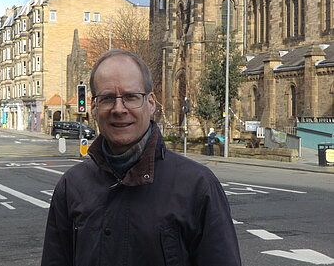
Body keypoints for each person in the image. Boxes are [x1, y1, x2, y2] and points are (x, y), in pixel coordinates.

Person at [41, 49, 241, 266]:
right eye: (107, 98)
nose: (119, 109)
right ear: (94, 107)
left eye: (130, 97)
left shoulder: (198, 186)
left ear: (151, 103)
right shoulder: (72, 186)